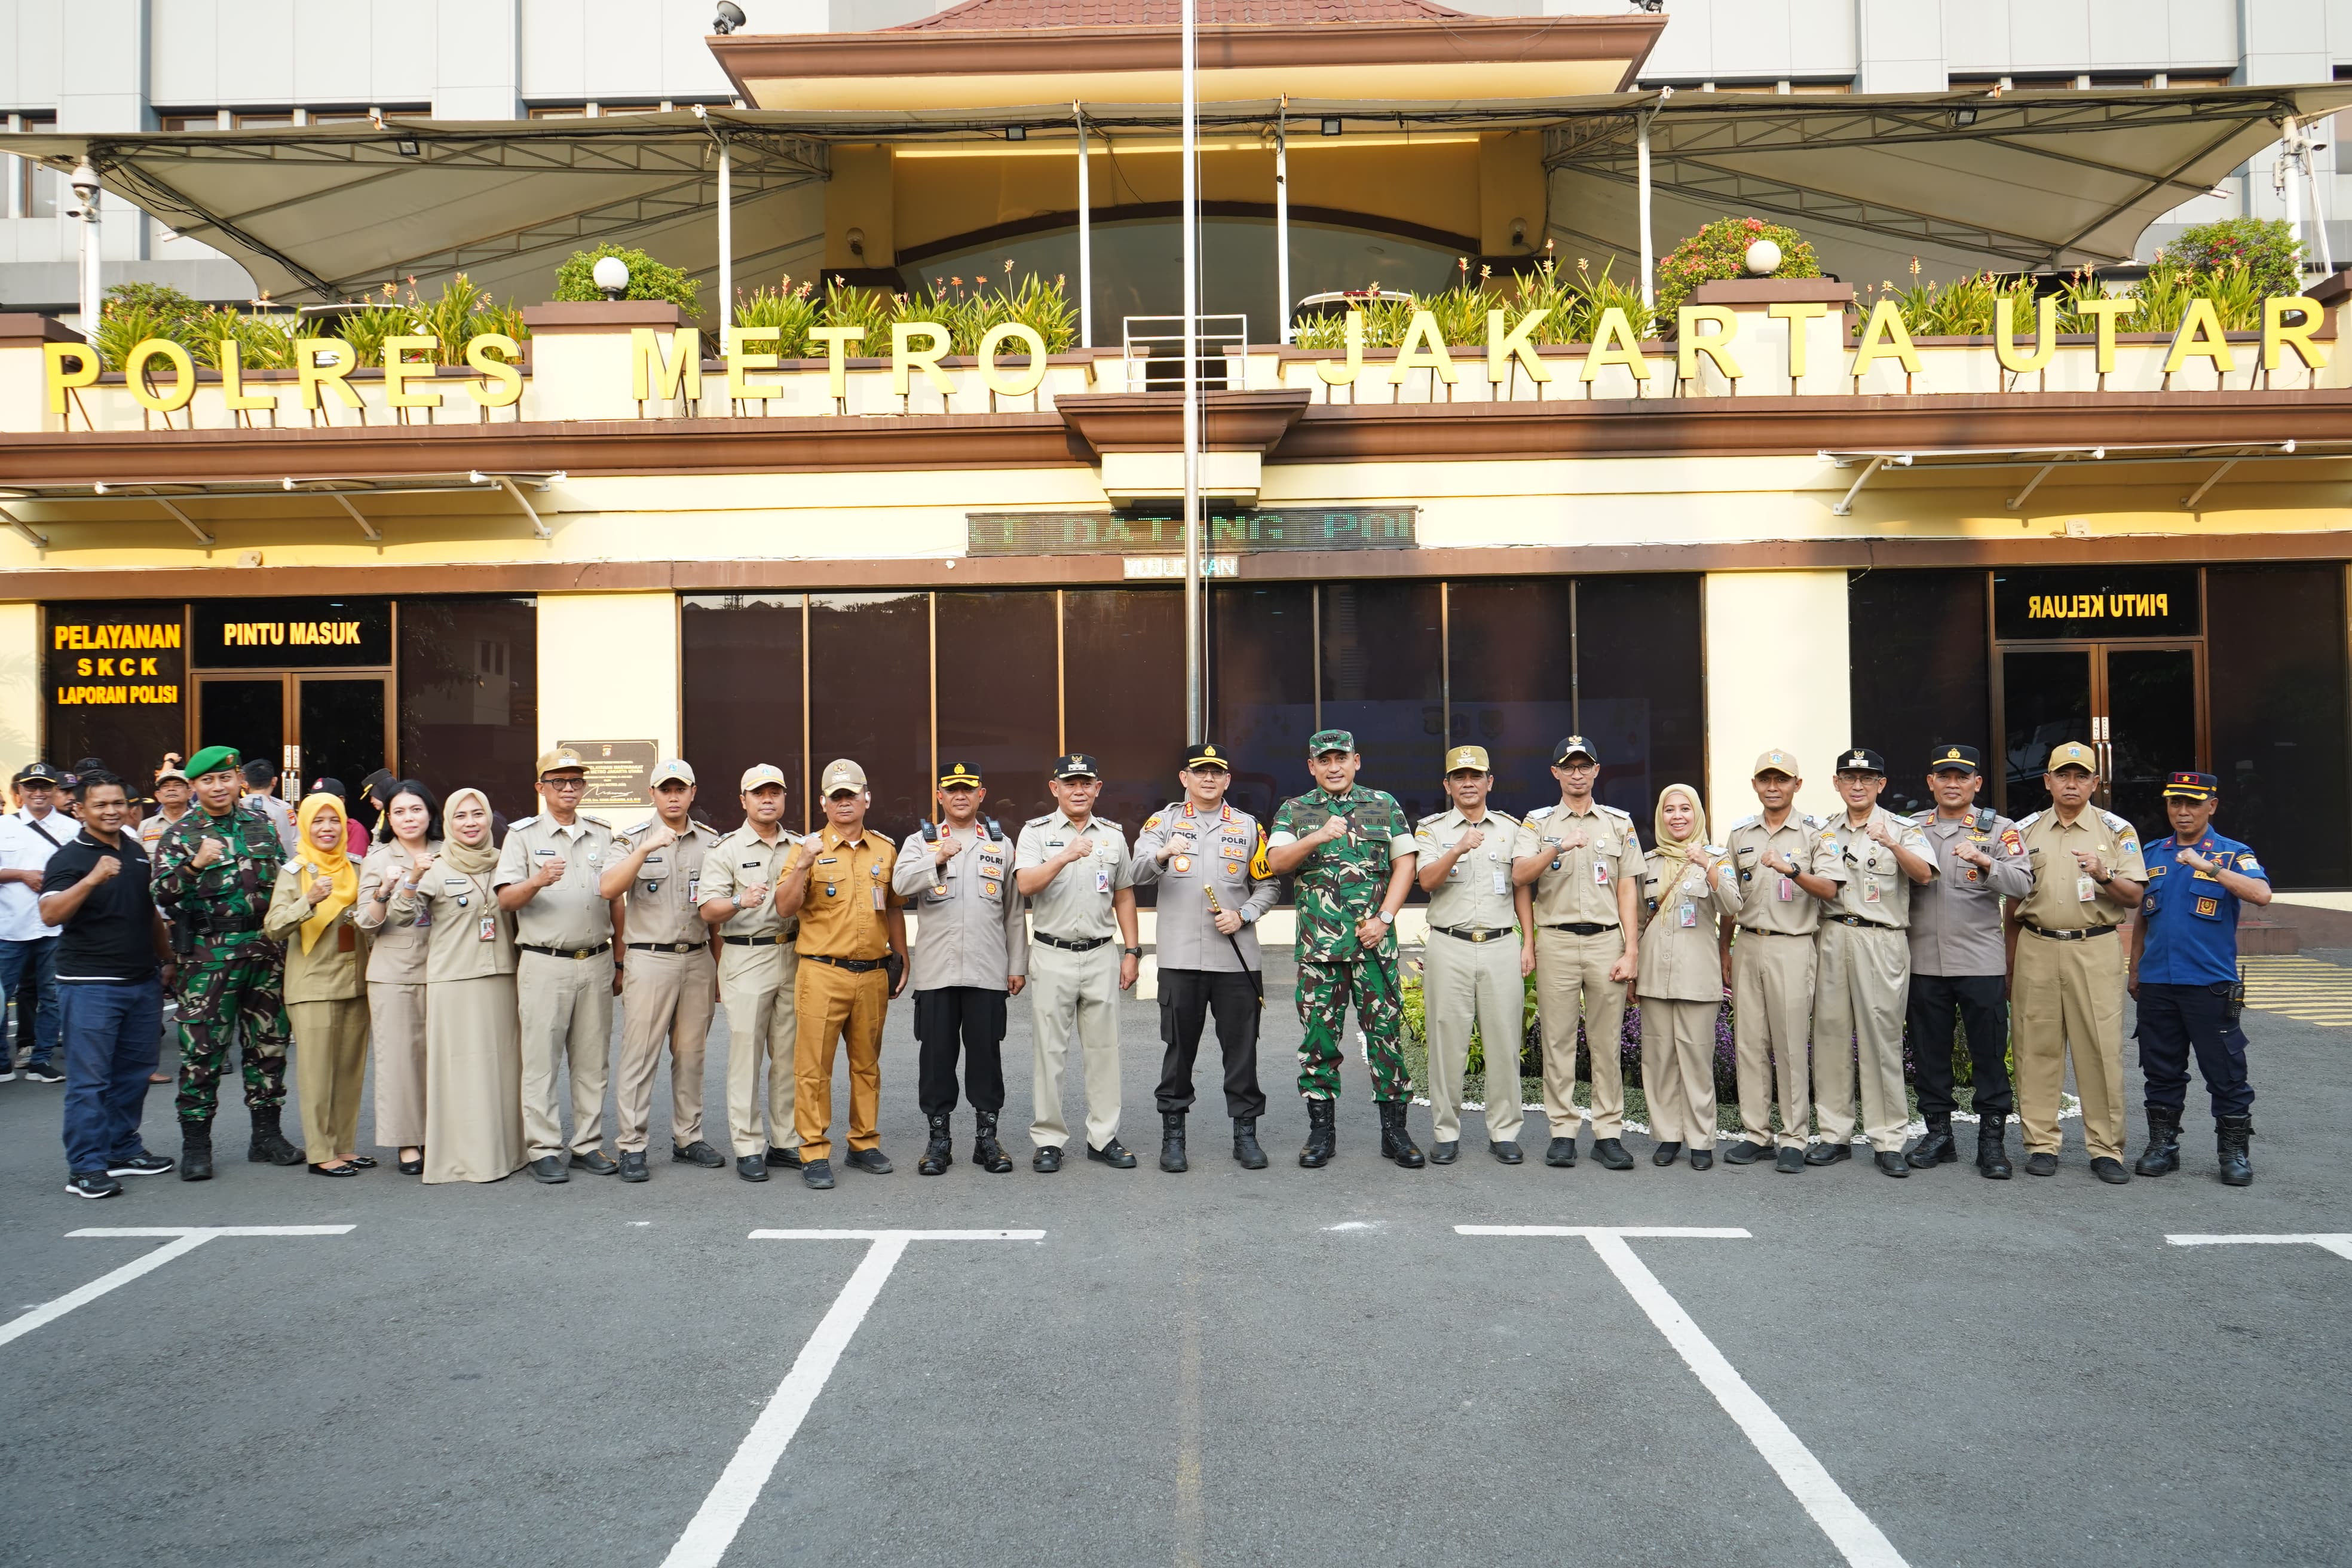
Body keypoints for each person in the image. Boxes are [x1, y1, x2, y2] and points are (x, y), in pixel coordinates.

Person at [1266, 729, 1421, 1169]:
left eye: (1341, 758)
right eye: (1324, 760)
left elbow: (1405, 864)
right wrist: (1315, 837)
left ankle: (1395, 1133)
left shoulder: (1383, 804)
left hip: (1374, 946)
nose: (1334, 767)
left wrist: (1384, 918)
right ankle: (1321, 1133)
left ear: (1357, 761)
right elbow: (1276, 863)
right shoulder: (1294, 810)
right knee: (1318, 1041)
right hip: (1320, 950)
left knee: (1385, 1039)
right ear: (1311, 766)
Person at [152, 745, 300, 1180]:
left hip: (264, 951)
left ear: (239, 780)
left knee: (269, 1046)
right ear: (194, 786)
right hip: (207, 957)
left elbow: (282, 881)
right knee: (203, 1052)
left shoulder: (261, 826)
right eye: (208, 780)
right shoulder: (180, 834)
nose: (218, 787)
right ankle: (197, 1145)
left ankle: (266, 1136)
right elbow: (160, 893)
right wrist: (195, 865)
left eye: (225, 778)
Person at [1132, 741, 1277, 1173]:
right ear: (1185, 778)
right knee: (1179, 1051)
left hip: (1236, 960)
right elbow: (1134, 872)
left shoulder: (1248, 827)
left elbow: (1268, 885)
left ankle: (1246, 1135)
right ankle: (1173, 1138)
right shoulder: (1163, 823)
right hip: (1180, 959)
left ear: (1228, 780)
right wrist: (1162, 853)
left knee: (1242, 1051)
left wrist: (1244, 914)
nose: (1209, 778)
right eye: (1200, 771)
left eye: (1217, 772)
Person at [2008, 740, 2146, 1184]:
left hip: (2095, 947)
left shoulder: (2117, 830)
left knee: (2101, 1050)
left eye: (2081, 776)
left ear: (2095, 782)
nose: (2072, 783)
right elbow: (2011, 903)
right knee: (2035, 1048)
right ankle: (2041, 1144)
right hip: (2036, 946)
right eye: (2063, 775)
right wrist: (2010, 964)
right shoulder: (2024, 831)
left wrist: (2103, 874)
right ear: (2047, 781)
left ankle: (2106, 1149)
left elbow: (2135, 896)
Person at [1509, 735, 1644, 1171]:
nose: (1577, 774)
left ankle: (1608, 1134)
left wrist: (1631, 949)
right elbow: (1520, 876)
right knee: (1558, 1041)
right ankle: (1563, 1132)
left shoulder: (1618, 823)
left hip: (1606, 941)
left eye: (1585, 765)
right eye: (1568, 766)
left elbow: (1627, 889)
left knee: (1606, 1043)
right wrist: (1558, 847)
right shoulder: (1538, 823)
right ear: (1556, 773)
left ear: (1596, 771)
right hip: (1557, 941)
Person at [41, 771, 177, 1198]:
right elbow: (50, 914)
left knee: (134, 1073)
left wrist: (167, 959)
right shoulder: (68, 858)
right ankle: (85, 1166)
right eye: (100, 805)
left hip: (141, 980)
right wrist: (92, 879)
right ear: (79, 809)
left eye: (118, 803)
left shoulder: (135, 851)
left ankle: (122, 1148)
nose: (111, 811)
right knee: (90, 1080)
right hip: (90, 984)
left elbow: (149, 912)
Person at [2130, 770, 2268, 1186]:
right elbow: (2142, 919)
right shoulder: (2152, 853)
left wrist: (2209, 867)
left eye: (2193, 803)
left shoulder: (2233, 853)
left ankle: (2233, 1153)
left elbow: (2261, 895)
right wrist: (2135, 969)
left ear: (2212, 806)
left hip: (2209, 985)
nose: (2183, 811)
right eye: (2176, 802)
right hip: (2157, 983)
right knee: (2161, 1071)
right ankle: (2163, 1147)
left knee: (2225, 1072)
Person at [775, 759, 908, 1190]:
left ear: (866, 798)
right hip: (822, 972)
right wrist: (802, 865)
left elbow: (893, 909)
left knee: (867, 1065)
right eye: (836, 797)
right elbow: (784, 907)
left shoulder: (885, 850)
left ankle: (864, 1142)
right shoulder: (806, 849)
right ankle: (814, 1150)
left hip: (872, 974)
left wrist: (902, 957)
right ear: (823, 803)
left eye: (851, 795)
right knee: (813, 1068)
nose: (844, 803)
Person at [495, 746, 624, 1184]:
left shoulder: (601, 834)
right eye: (558, 781)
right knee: (542, 1061)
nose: (569, 788)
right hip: (545, 962)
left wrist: (620, 958)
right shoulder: (522, 836)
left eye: (576, 781)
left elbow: (616, 898)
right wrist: (537, 880)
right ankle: (544, 1148)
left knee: (592, 1061)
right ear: (541, 787)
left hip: (596, 959)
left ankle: (587, 1144)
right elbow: (506, 900)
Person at [891, 761, 1027, 1177]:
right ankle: (939, 1142)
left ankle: (987, 1140)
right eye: (952, 789)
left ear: (981, 794)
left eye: (968, 789)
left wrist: (1017, 965)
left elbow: (1014, 912)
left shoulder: (1001, 845)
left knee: (986, 1057)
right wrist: (936, 858)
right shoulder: (920, 842)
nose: (961, 796)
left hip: (988, 970)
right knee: (936, 1059)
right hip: (938, 972)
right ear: (940, 796)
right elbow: (899, 886)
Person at [1806, 749, 1936, 1177]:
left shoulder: (1902, 828)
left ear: (1881, 784)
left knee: (1882, 1041)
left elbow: (1924, 875)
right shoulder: (1823, 831)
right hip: (1832, 936)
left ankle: (1888, 1139)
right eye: (1849, 777)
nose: (1857, 785)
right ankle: (1834, 1135)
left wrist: (1891, 843)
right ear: (1837, 783)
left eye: (1867, 778)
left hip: (1881, 939)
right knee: (1829, 1038)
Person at [1903, 745, 2029, 1178]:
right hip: (1924, 962)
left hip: (1980, 963)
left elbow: (2023, 885)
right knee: (1929, 1054)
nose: (1952, 784)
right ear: (1931, 782)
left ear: (1977, 783)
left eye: (1962, 777)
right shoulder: (1912, 828)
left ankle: (1991, 1144)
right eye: (1944, 776)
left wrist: (1985, 861)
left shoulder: (2001, 829)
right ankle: (1938, 1136)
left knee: (1989, 1056)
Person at [1719, 749, 1845, 1174]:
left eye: (1782, 780)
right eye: (1766, 780)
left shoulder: (1816, 833)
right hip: (1748, 944)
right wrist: (1724, 949)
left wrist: (1792, 871)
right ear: (1755, 785)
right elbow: (1730, 898)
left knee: (1790, 1044)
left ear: (1797, 785)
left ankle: (1793, 1137)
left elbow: (1830, 889)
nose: (1773, 787)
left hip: (1792, 945)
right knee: (1749, 1043)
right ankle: (1757, 1134)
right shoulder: (1741, 833)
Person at [391, 788, 525, 1184]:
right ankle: (462, 1157)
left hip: (503, 978)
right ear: (448, 823)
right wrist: (412, 878)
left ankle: (509, 1153)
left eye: (477, 814)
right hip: (453, 981)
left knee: (504, 1068)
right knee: (461, 1070)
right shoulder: (434, 866)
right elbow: (401, 916)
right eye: (461, 816)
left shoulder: (506, 862)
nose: (470, 823)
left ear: (489, 818)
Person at [1016, 752, 1141, 1172]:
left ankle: (1103, 1137)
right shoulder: (1035, 833)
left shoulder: (1113, 836)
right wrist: (1064, 856)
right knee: (1049, 1052)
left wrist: (1132, 951)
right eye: (1070, 783)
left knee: (1105, 1050)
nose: (1079, 790)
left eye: (1086, 783)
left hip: (1101, 953)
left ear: (1097, 788)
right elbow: (1025, 884)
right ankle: (1049, 1140)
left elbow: (1124, 893)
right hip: (1052, 953)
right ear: (1055, 788)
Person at [601, 758, 725, 1183]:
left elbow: (716, 914)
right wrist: (644, 851)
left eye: (680, 789)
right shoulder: (632, 839)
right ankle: (632, 1144)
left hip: (697, 957)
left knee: (691, 1054)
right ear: (652, 794)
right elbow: (608, 888)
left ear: (693, 793)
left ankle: (688, 1137)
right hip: (649, 957)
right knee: (640, 1055)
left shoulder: (711, 842)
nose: (673, 797)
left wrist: (719, 968)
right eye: (665, 790)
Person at [1414, 744, 1529, 1166]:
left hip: (1500, 944)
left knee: (1504, 1042)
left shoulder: (1511, 829)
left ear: (1489, 782)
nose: (1468, 783)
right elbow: (1426, 880)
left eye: (1475, 776)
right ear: (1447, 785)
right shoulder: (1431, 830)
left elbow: (1521, 888)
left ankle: (1505, 1132)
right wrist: (1458, 848)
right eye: (1459, 777)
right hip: (1450, 944)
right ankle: (1446, 1131)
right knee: (1447, 1043)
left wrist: (1529, 944)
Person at [696, 763, 803, 1183]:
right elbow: (709, 910)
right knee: (746, 1056)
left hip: (792, 953)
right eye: (759, 793)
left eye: (775, 792)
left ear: (784, 798)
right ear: (744, 801)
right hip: (746, 956)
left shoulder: (799, 846)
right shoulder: (725, 850)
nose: (767, 799)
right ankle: (747, 1145)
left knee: (789, 1056)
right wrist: (740, 901)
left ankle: (785, 1140)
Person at [261, 793, 371, 1175]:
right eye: (318, 822)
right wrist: (307, 900)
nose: (327, 829)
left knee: (350, 1070)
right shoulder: (294, 872)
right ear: (305, 827)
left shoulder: (357, 867)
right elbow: (274, 927)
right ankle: (321, 1152)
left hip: (355, 981)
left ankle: (344, 1146)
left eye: (334, 820)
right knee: (317, 1073)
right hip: (313, 985)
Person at [1635, 784, 1738, 1169]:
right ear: (1660, 816)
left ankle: (1700, 1140)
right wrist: (1632, 971)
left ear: (1697, 814)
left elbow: (1733, 904)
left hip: (1697, 977)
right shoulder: (1648, 862)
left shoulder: (1717, 857)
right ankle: (1668, 1136)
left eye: (1685, 809)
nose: (1677, 817)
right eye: (1669, 810)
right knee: (1658, 1060)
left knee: (1696, 1060)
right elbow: (1637, 919)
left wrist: (1707, 865)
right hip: (1653, 975)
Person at [353, 779, 438, 1174]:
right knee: (401, 1060)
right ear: (388, 817)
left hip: (447, 967)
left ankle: (439, 1133)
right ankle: (407, 1141)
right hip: (395, 972)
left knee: (441, 1058)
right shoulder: (378, 858)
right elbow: (366, 923)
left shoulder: (450, 851)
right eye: (399, 812)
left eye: (416, 809)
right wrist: (385, 889)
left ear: (431, 812)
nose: (408, 818)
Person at [0, 761, 71, 1084]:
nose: (38, 793)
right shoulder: (4, 826)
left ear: (54, 790)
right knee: (2, 997)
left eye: (44, 787)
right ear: (20, 792)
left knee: (52, 996)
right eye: (31, 787)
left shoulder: (71, 828)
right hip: (9, 927)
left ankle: (41, 1060)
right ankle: (2, 1063)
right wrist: (21, 874)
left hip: (55, 927)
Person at [139, 758, 192, 1084]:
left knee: (193, 988)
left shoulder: (201, 822)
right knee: (153, 986)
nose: (171, 790)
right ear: (157, 795)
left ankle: (198, 1051)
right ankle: (148, 1053)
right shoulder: (146, 828)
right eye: (165, 786)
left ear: (190, 791)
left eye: (177, 785)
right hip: (155, 917)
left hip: (190, 917)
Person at [241, 757, 298, 854]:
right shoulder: (283, 808)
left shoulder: (237, 806)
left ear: (245, 784)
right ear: (274, 781)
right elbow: (293, 844)